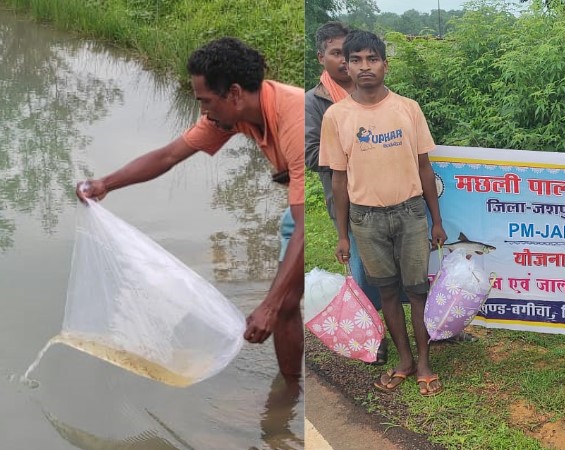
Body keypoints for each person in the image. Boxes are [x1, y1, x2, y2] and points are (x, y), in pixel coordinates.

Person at [75, 37, 304, 383]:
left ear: (235, 94)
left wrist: (267, 306)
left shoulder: (298, 120)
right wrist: (105, 184)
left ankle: (298, 391)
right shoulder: (232, 114)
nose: (204, 112)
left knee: (283, 302)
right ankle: (289, 391)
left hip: (330, 201)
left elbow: (307, 225)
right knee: (286, 302)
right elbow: (168, 156)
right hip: (300, 205)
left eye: (206, 101)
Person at [319, 30, 447, 396]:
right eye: (355, 60)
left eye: (371, 59)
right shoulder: (336, 116)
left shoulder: (408, 108)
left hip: (410, 213)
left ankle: (424, 361)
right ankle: (404, 360)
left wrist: (435, 220)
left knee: (417, 290)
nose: (364, 67)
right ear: (346, 66)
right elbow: (339, 182)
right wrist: (342, 234)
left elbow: (424, 168)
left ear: (385, 65)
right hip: (366, 220)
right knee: (388, 292)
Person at [305, 22, 389, 366]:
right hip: (348, 201)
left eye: (349, 54)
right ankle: (372, 336)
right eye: (338, 54)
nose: (346, 62)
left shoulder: (373, 91)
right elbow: (311, 154)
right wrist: (359, 149)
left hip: (387, 197)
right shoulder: (315, 102)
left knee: (392, 265)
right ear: (321, 57)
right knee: (362, 268)